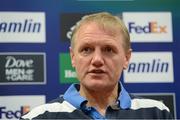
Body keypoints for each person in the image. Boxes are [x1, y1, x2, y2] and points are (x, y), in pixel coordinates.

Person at [21, 12, 173, 119]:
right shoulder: (39, 117)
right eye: (86, 50)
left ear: (126, 58)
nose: (97, 60)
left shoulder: (157, 113)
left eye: (108, 49)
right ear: (73, 57)